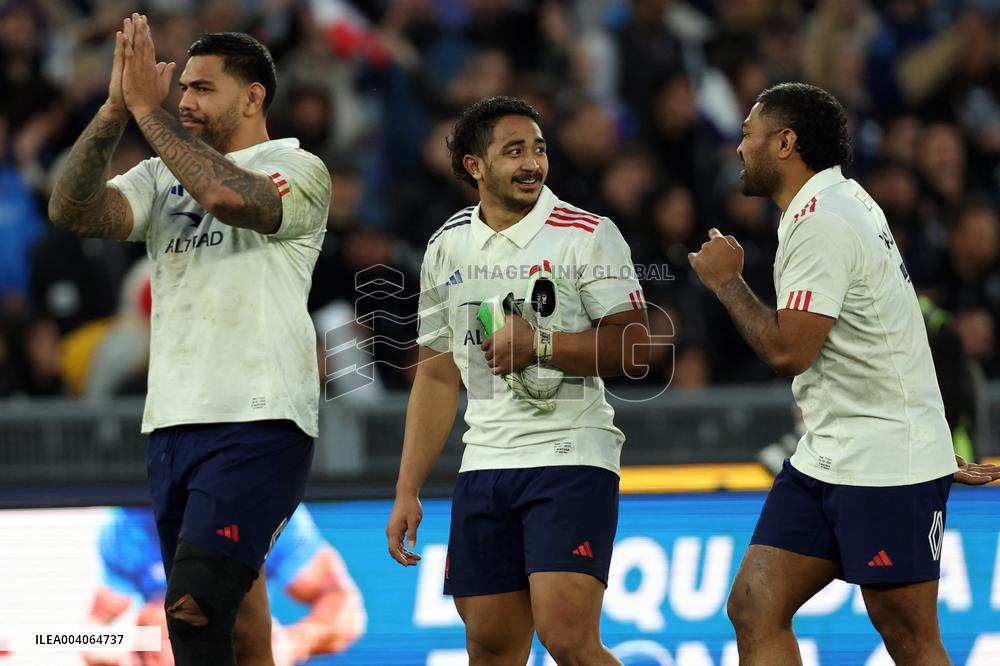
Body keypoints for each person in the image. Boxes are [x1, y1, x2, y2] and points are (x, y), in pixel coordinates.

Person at [48, 15, 330, 666]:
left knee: (195, 606)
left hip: (260, 420)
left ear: (254, 96)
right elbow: (72, 211)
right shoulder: (157, 177)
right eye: (182, 92)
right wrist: (117, 108)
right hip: (173, 424)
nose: (186, 102)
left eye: (203, 88)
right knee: (222, 621)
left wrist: (150, 114)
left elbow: (227, 199)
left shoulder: (298, 168)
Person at [687, 82, 1000, 665]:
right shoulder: (830, 203)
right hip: (830, 452)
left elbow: (789, 352)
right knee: (755, 604)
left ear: (785, 143)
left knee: (908, 636)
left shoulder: (824, 220)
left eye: (750, 133)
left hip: (883, 460)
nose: (739, 147)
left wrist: (727, 283)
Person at [385, 96, 651, 665]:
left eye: (539, 149)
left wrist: (542, 344)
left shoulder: (588, 234)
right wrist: (407, 487)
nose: (533, 163)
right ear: (474, 167)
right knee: (489, 648)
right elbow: (435, 375)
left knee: (568, 638)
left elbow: (634, 346)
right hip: (484, 462)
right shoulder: (445, 246)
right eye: (514, 151)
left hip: (571, 454)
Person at [85, 505, 366, 666]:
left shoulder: (269, 510)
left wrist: (290, 644)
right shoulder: (128, 525)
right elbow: (89, 633)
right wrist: (133, 645)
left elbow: (348, 612)